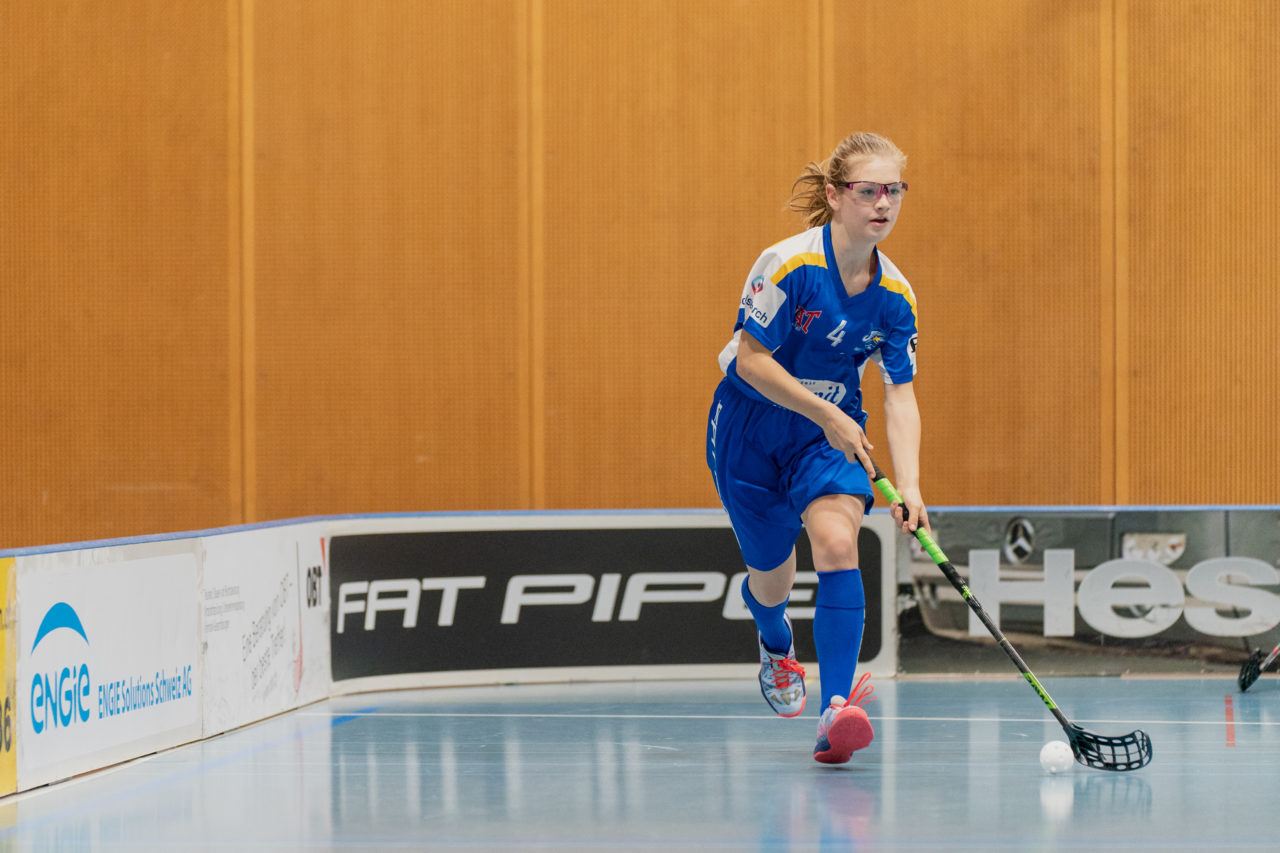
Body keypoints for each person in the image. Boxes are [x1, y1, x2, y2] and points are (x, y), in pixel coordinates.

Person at [705, 131, 932, 764]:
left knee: (837, 544)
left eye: (894, 191)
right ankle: (774, 642)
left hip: (828, 439)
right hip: (752, 428)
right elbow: (750, 361)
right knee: (771, 579)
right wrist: (826, 409)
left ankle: (836, 711)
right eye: (868, 191)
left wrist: (909, 486)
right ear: (835, 195)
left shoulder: (896, 298)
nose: (882, 204)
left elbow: (900, 395)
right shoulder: (787, 264)